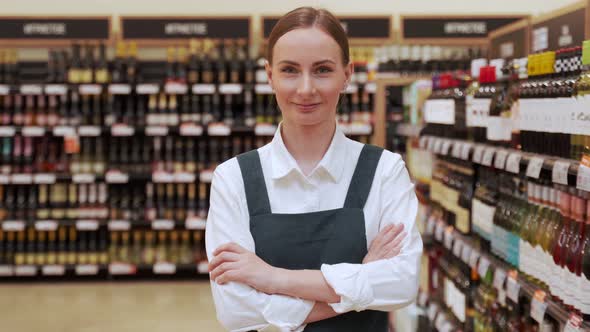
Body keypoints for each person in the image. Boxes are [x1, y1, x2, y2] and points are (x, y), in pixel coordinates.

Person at [205, 7, 422, 332]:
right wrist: (361, 282)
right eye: (290, 70)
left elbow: (403, 284)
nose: (306, 89)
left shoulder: (384, 171)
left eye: (322, 70)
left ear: (347, 75)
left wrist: (271, 277)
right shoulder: (233, 179)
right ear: (270, 76)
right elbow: (235, 310)